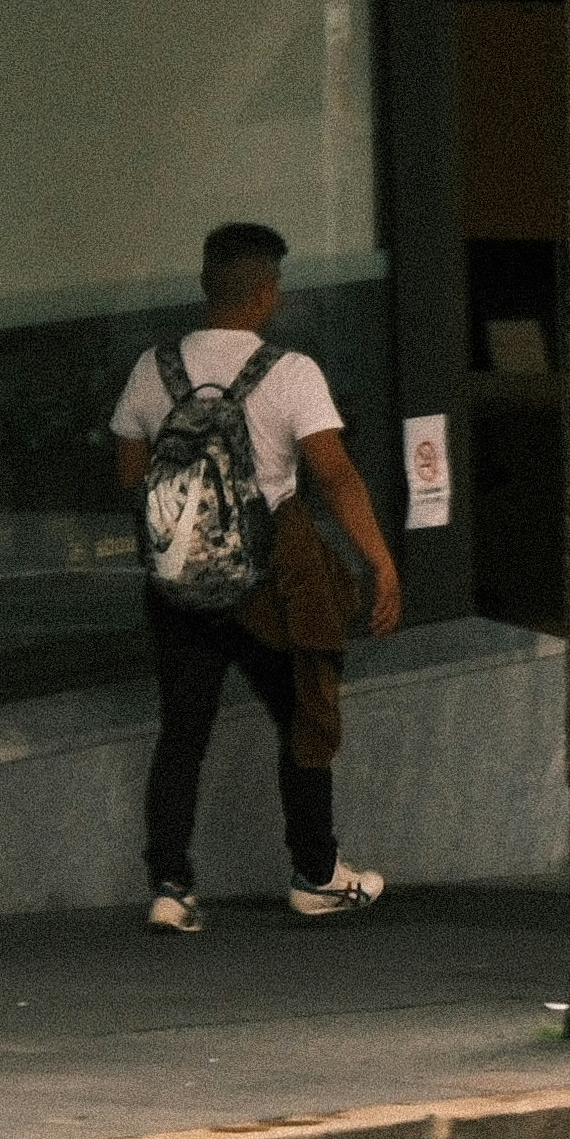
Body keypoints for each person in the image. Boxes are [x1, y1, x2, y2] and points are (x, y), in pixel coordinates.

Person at [106, 220, 402, 931]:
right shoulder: (291, 374)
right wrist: (380, 562)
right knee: (303, 718)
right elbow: (334, 475)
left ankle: (171, 888)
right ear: (267, 293)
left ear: (206, 284)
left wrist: (191, 531)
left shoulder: (154, 369)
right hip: (269, 587)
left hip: (178, 589)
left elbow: (130, 475)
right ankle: (316, 874)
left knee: (183, 733)